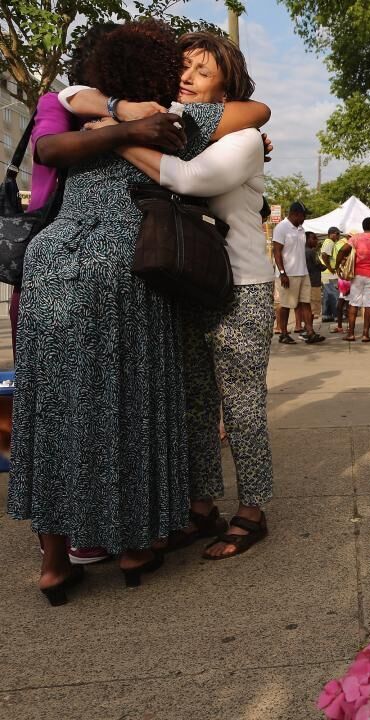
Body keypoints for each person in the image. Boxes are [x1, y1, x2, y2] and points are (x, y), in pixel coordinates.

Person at [7, 20, 241, 603]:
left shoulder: (80, 119)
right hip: (125, 265)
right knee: (130, 402)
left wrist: (112, 119)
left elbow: (47, 147)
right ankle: (136, 548)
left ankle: (56, 562)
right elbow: (255, 112)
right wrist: (141, 122)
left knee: (51, 406)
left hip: (53, 260)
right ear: (162, 72)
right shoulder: (172, 121)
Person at [100, 31, 277, 560]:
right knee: (196, 405)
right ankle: (203, 507)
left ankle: (253, 510)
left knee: (242, 405)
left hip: (241, 286)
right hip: (188, 284)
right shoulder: (178, 129)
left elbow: (191, 180)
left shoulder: (242, 139)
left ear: (228, 87)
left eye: (202, 71)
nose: (188, 78)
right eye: (184, 68)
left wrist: (117, 136)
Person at [272, 201, 324, 344]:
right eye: (303, 215)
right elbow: (276, 251)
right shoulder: (281, 228)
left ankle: (310, 332)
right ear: (295, 214)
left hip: (303, 272)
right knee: (286, 304)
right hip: (289, 274)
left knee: (305, 303)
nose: (305, 218)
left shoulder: (301, 229)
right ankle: (283, 333)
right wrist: (282, 272)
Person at [334, 217, 370, 342]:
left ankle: (351, 334)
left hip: (358, 274)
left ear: (363, 227)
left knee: (353, 303)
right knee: (369, 305)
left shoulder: (356, 238)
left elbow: (343, 250)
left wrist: (337, 265)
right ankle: (365, 334)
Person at [301, 231, 324, 335]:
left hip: (306, 281)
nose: (316, 241)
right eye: (314, 238)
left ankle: (307, 328)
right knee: (313, 308)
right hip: (313, 282)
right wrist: (330, 265)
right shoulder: (311, 252)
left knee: (308, 306)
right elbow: (320, 266)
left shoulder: (302, 251)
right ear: (307, 240)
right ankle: (309, 329)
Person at [319, 226, 341, 322]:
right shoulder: (329, 242)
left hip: (326, 273)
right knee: (334, 294)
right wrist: (330, 268)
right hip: (329, 273)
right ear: (332, 234)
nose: (338, 236)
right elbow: (324, 256)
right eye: (337, 234)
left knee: (328, 295)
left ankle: (326, 315)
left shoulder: (330, 242)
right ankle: (336, 315)